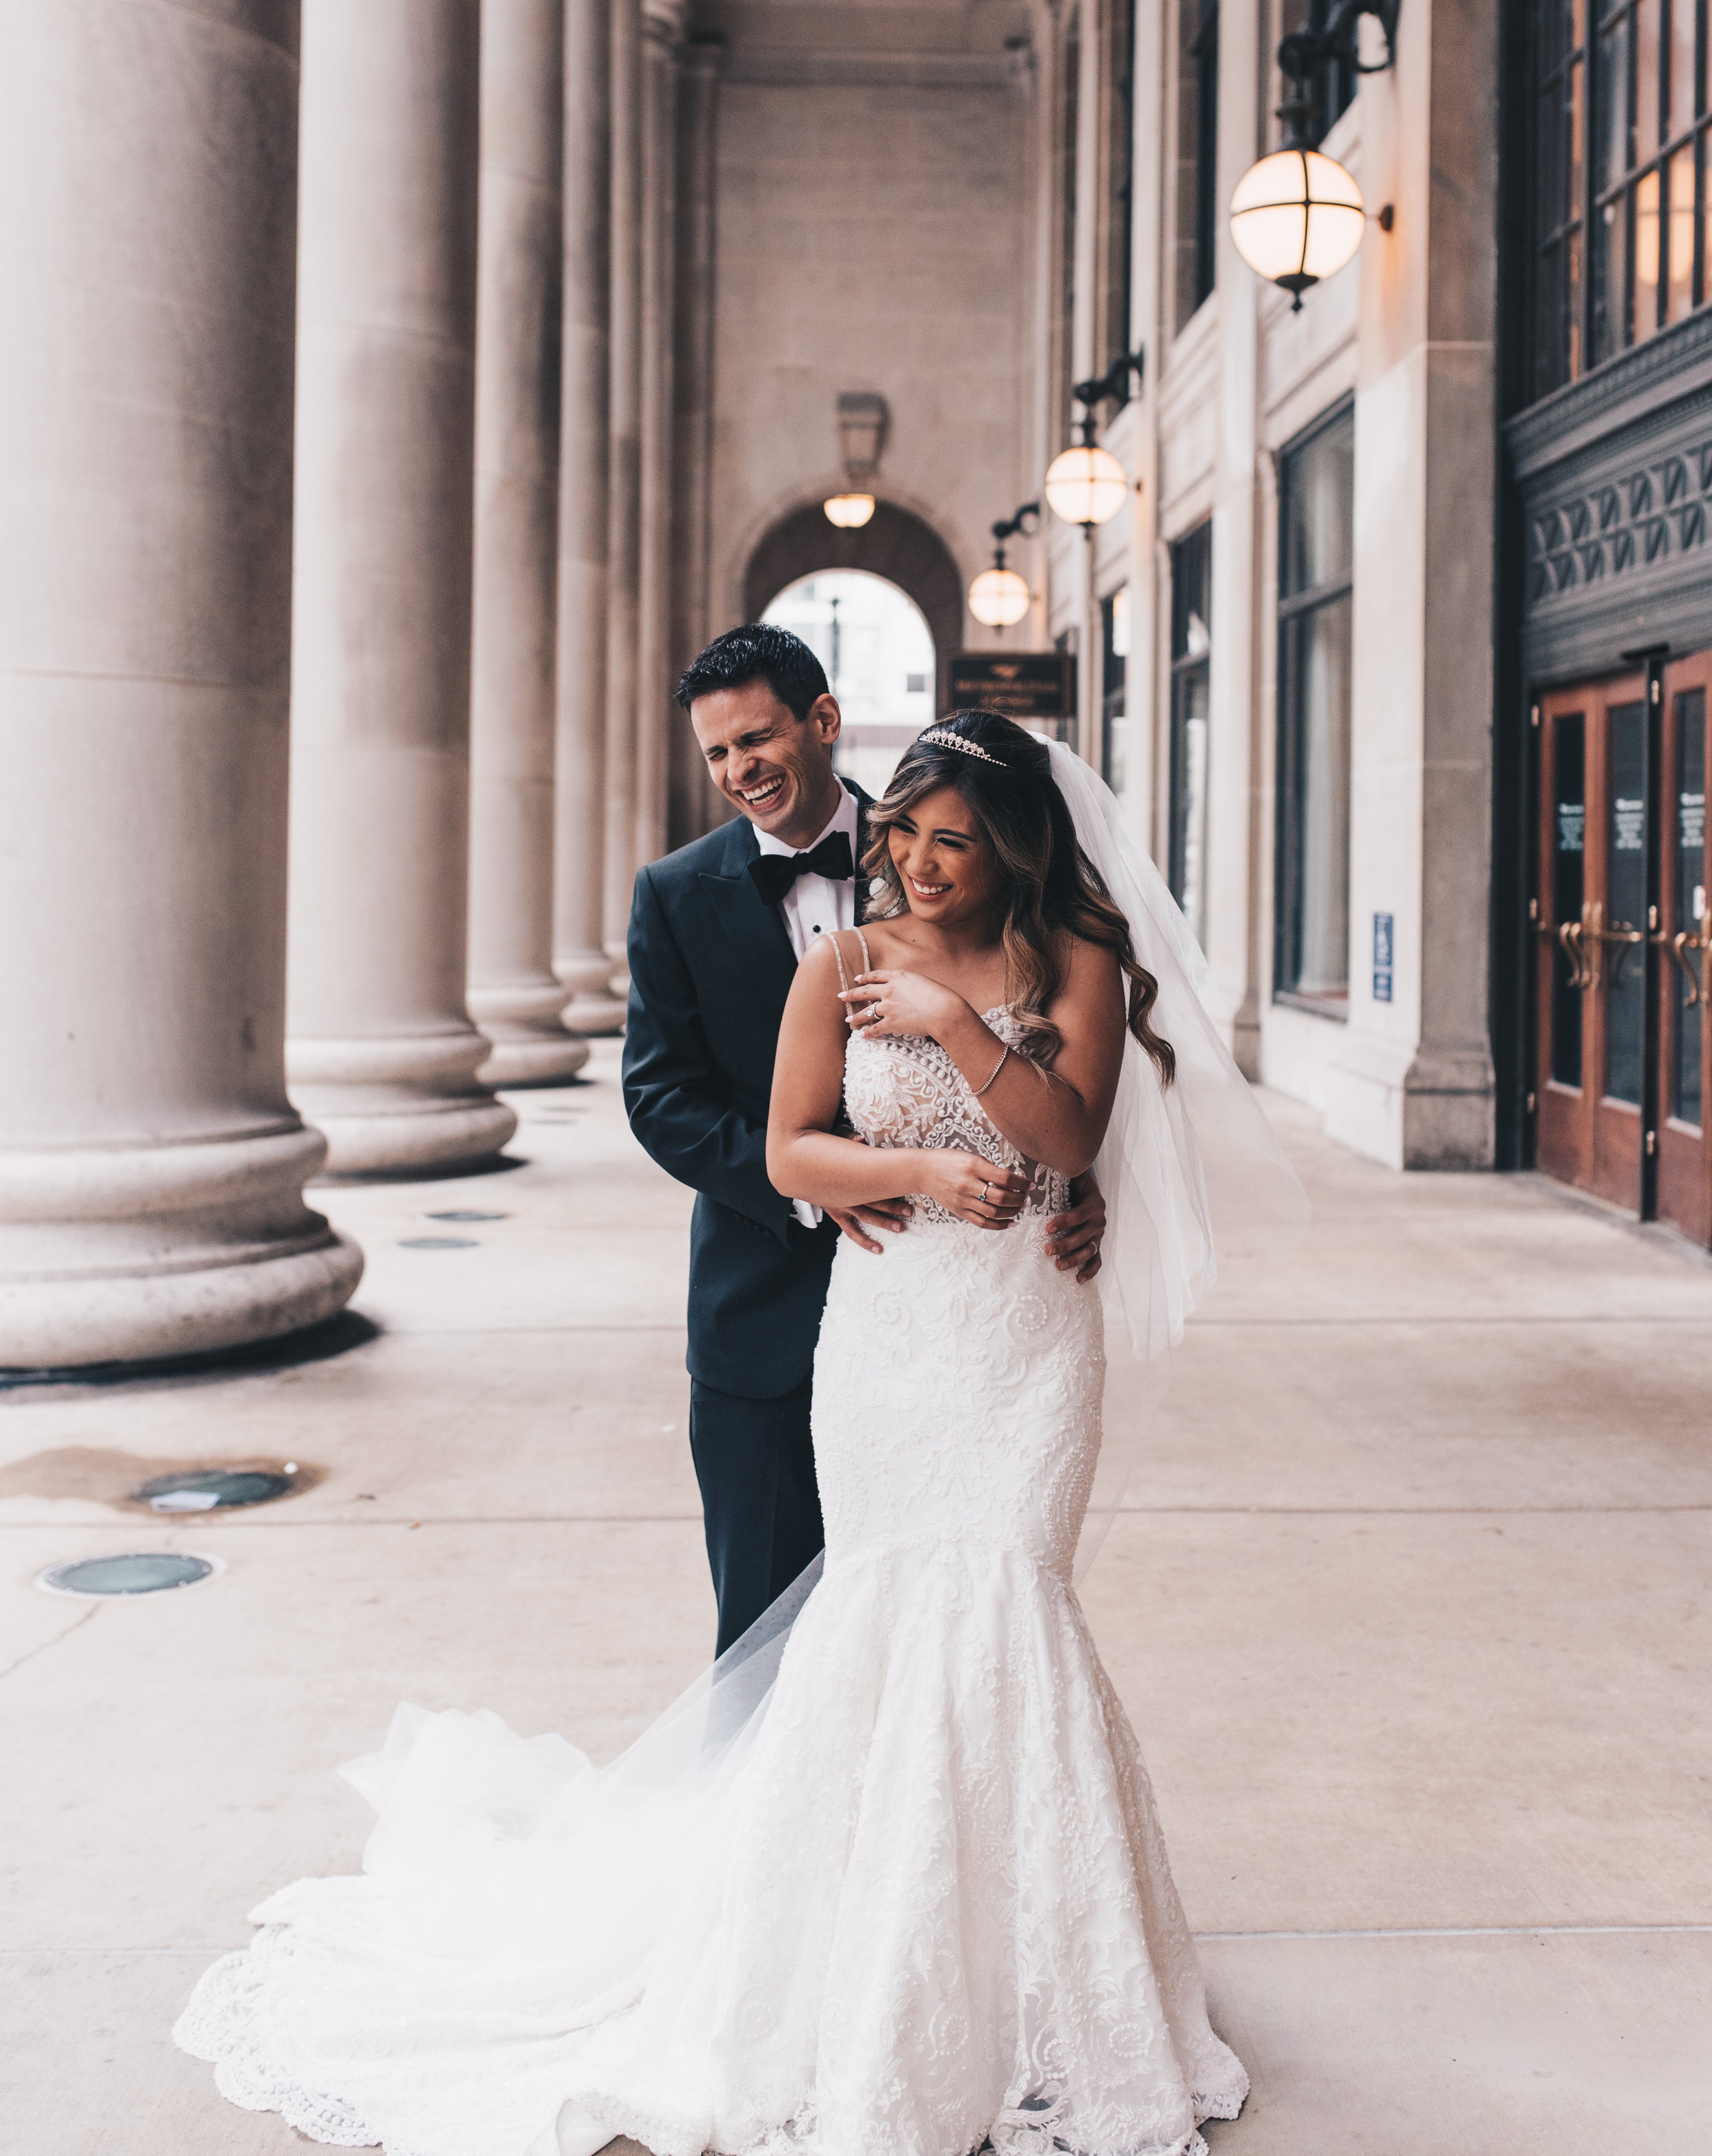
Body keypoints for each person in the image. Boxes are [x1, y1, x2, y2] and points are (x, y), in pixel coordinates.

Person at [175, 707, 1296, 2156]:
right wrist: (913, 1164)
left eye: (954, 839)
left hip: (1024, 1345)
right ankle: (859, 1959)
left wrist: (960, 1029)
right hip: (891, 1337)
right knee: (882, 1616)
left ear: (1015, 845)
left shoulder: (1069, 958)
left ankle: (1027, 1971)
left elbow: (1072, 1137)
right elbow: (785, 1149)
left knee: (1010, 1597)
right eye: (903, 834)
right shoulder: (837, 964)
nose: (920, 860)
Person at [621, 622, 1106, 1655]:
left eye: (756, 739)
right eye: (717, 753)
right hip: (763, 1303)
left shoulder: (933, 831)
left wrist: (1076, 1180)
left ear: (824, 721)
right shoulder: (674, 895)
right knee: (764, 1635)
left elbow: (1052, 1065)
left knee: (964, 1618)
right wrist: (826, 1185)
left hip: (982, 1315)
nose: (739, 769)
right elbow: (661, 1098)